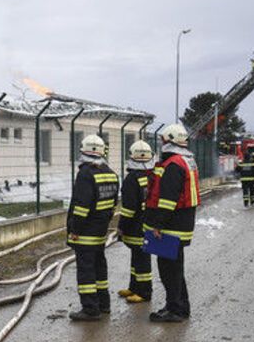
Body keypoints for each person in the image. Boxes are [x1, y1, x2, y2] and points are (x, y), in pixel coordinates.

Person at [145, 124, 200, 323]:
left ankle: (175, 309)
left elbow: (168, 199)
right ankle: (179, 306)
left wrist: (158, 224)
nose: (161, 143)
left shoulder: (173, 164)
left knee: (169, 270)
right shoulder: (187, 160)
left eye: (162, 140)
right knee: (176, 268)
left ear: (168, 141)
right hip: (182, 223)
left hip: (171, 226)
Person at [67, 134, 119, 321]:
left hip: (86, 231)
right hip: (100, 230)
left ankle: (90, 309)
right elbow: (113, 203)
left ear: (84, 150)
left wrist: (75, 229)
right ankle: (103, 304)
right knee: (99, 266)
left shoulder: (85, 174)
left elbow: (81, 206)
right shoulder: (111, 172)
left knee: (86, 270)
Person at [116, 140, 154, 304]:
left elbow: (128, 208)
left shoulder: (132, 178)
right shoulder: (152, 175)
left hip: (137, 226)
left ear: (131, 156)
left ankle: (144, 292)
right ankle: (134, 287)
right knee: (137, 257)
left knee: (141, 259)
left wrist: (121, 226)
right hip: (149, 222)